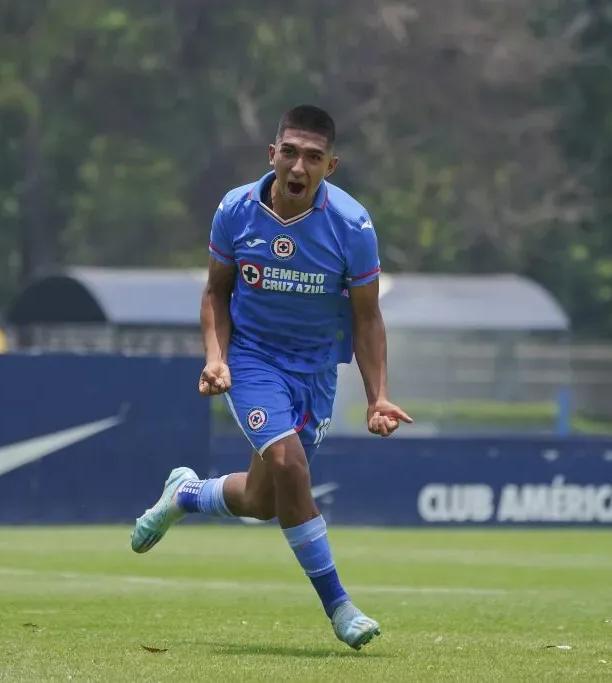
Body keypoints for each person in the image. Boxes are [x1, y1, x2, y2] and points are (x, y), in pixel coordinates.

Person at [130, 104, 412, 650]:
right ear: (272, 155)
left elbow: (366, 316)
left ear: (331, 165)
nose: (298, 167)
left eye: (312, 157)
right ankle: (340, 607)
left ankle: (186, 494)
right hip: (254, 362)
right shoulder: (235, 210)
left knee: (264, 500)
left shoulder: (352, 226)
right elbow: (216, 291)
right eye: (289, 153)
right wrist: (217, 357)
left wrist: (379, 395)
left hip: (316, 370)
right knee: (288, 463)